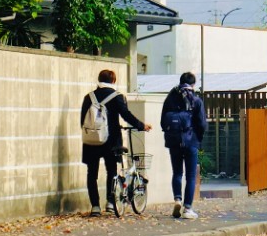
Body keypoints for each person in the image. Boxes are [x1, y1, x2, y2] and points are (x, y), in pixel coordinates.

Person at [78, 69, 147, 216]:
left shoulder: (88, 97)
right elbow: (126, 115)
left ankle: (95, 206)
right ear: (113, 81)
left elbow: (82, 120)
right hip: (111, 141)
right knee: (112, 171)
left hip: (91, 141)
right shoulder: (117, 97)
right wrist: (142, 125)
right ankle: (110, 203)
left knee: (92, 173)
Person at [159, 72, 208, 219]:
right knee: (191, 176)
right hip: (191, 141)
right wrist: (198, 138)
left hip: (174, 141)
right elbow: (202, 124)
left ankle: (177, 199)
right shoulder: (196, 100)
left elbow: (163, 122)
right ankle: (187, 209)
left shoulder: (170, 98)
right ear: (193, 84)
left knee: (177, 172)